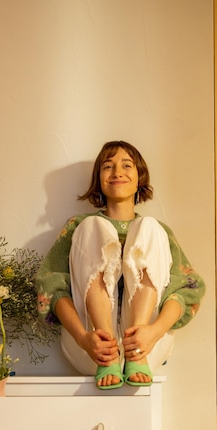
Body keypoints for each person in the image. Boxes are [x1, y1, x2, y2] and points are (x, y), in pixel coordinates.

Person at [36, 140, 205, 389]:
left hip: (149, 345)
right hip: (91, 346)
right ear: (99, 179)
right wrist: (84, 338)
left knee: (149, 227)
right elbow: (50, 286)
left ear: (140, 179)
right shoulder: (79, 227)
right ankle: (108, 353)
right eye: (108, 166)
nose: (117, 172)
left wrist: (154, 332)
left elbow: (187, 289)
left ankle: (137, 344)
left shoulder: (159, 233)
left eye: (127, 165)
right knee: (92, 226)